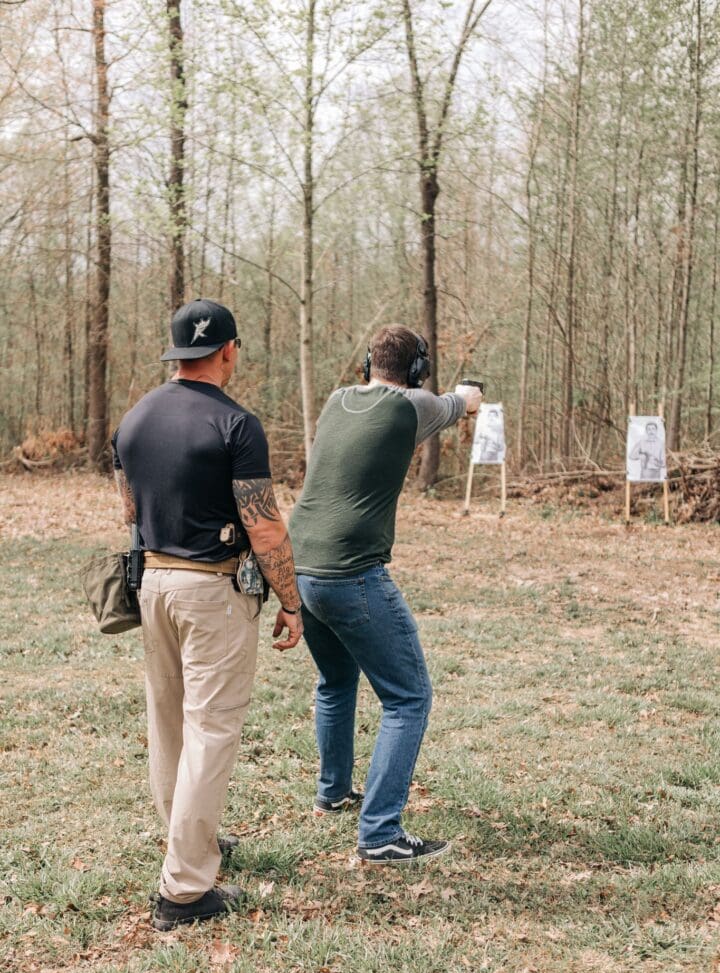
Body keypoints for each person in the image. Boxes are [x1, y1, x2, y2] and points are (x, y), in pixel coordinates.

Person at [112, 298, 303, 931]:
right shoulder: (236, 425)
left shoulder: (134, 419)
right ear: (227, 351)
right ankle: (184, 891)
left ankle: (189, 841)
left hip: (154, 581)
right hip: (210, 589)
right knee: (212, 728)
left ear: (176, 352)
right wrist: (291, 601)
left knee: (168, 724)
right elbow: (267, 529)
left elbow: (129, 507)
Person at [289, 324, 481, 864]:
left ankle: (332, 793)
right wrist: (471, 392)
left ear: (368, 365)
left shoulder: (335, 400)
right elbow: (461, 403)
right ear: (418, 370)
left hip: (300, 566)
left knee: (335, 679)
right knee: (408, 697)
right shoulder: (411, 405)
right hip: (352, 574)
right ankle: (379, 832)